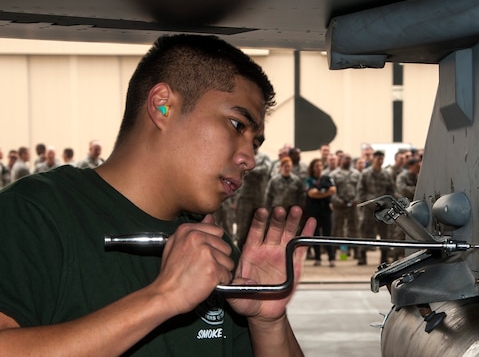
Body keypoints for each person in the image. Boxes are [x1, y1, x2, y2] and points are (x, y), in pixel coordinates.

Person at [0, 34, 316, 356]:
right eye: (237, 125)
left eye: (256, 142)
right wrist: (163, 297)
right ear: (162, 105)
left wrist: (268, 322)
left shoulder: (213, 246)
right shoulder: (32, 213)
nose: (248, 158)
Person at [356, 150, 395, 265]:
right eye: (378, 159)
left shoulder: (387, 174)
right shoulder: (366, 173)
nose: (380, 161)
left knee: (385, 234)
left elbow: (391, 190)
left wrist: (389, 204)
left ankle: (384, 257)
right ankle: (362, 256)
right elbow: (360, 191)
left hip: (383, 209)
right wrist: (367, 202)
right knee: (365, 232)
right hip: (369, 209)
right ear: (373, 159)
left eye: (382, 159)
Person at [235, 150, 272, 250]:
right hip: (245, 198)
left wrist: (248, 170)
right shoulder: (243, 156)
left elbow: (266, 169)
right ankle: (240, 254)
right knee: (242, 230)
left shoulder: (264, 157)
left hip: (260, 199)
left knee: (261, 228)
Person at [304, 158, 336, 267]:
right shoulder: (309, 180)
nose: (318, 168)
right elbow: (311, 194)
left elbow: (332, 190)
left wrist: (320, 193)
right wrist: (324, 193)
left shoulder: (327, 178)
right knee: (315, 235)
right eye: (316, 166)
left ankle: (331, 258)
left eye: (320, 166)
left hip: (326, 211)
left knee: (328, 235)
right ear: (313, 168)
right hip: (313, 211)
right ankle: (317, 258)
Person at [329, 154, 361, 258]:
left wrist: (355, 200)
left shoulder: (356, 174)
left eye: (349, 159)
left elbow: (359, 189)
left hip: (353, 205)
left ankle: (357, 253)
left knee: (354, 229)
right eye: (345, 159)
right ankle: (342, 254)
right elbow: (332, 191)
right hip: (339, 206)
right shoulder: (334, 174)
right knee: (338, 230)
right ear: (341, 160)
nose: (347, 161)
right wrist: (338, 201)